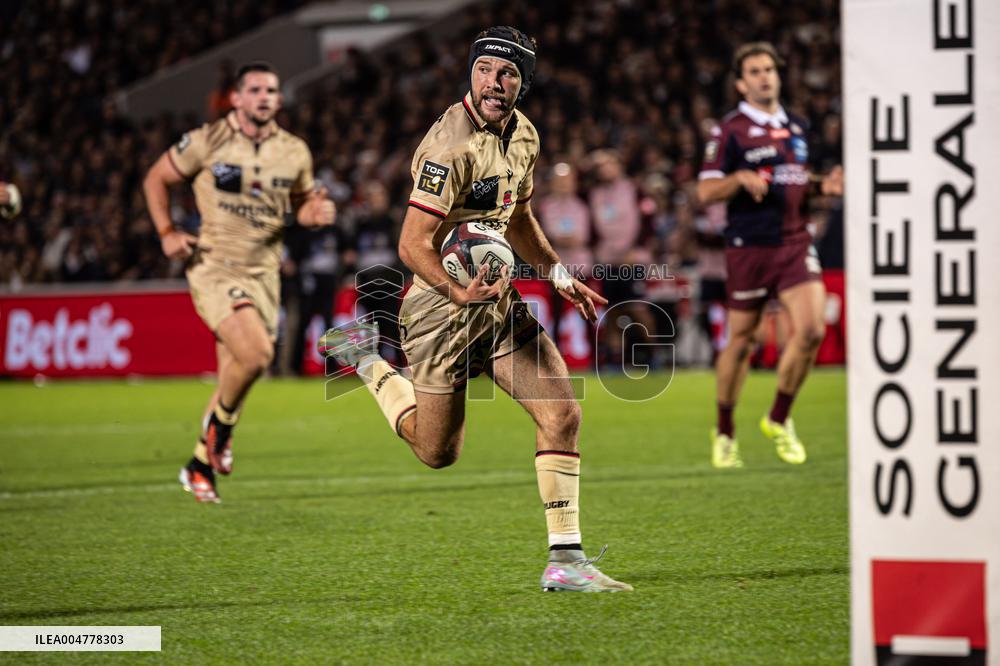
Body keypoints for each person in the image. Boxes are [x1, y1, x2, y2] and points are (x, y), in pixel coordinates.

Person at [320, 26, 631, 592]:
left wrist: (558, 272)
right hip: (440, 310)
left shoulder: (525, 136)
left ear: (524, 83)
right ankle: (364, 358)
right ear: (472, 73)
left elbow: (517, 218)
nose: (494, 81)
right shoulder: (449, 147)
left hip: (496, 300)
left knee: (562, 413)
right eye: (485, 68)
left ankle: (566, 560)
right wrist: (456, 291)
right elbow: (412, 244)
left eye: (507, 72)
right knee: (439, 452)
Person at [143, 61, 335, 502]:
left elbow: (302, 205)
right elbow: (156, 177)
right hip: (215, 265)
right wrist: (167, 233)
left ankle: (197, 466)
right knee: (256, 354)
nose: (264, 97)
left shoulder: (294, 151)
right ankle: (221, 433)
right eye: (255, 90)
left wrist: (314, 214)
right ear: (236, 97)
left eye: (271, 90)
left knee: (238, 370)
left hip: (265, 273)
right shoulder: (207, 141)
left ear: (279, 100)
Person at [697, 42, 843, 469]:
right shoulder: (729, 131)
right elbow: (706, 191)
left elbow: (795, 179)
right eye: (755, 71)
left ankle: (778, 418)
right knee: (742, 342)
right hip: (750, 247)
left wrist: (822, 187)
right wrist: (739, 177)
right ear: (742, 83)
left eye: (769, 70)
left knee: (812, 330)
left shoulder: (796, 126)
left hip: (795, 244)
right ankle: (724, 430)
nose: (765, 76)